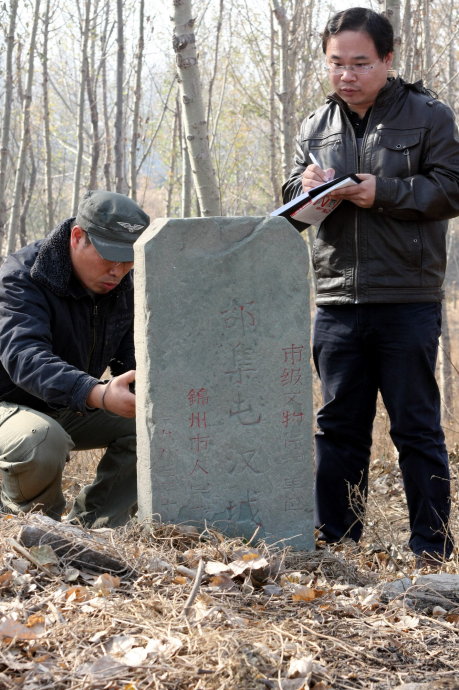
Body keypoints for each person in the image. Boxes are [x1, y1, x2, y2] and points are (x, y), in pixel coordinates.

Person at [283, 7, 459, 563]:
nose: (347, 75)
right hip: (335, 299)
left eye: (360, 63)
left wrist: (379, 190)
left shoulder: (429, 116)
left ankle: (431, 549)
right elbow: (289, 205)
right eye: (336, 63)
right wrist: (306, 186)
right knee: (337, 428)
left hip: (406, 298)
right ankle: (335, 545)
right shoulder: (316, 125)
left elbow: (451, 191)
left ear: (387, 58)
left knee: (415, 427)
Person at [0, 190, 150, 528]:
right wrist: (97, 393)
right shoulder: (22, 276)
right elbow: (25, 356)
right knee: (40, 440)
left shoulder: (121, 285)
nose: (118, 270)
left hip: (65, 403)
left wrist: (142, 389)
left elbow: (131, 358)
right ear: (77, 237)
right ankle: (37, 529)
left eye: (128, 260)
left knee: (152, 421)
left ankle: (94, 529)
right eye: (109, 256)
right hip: (8, 406)